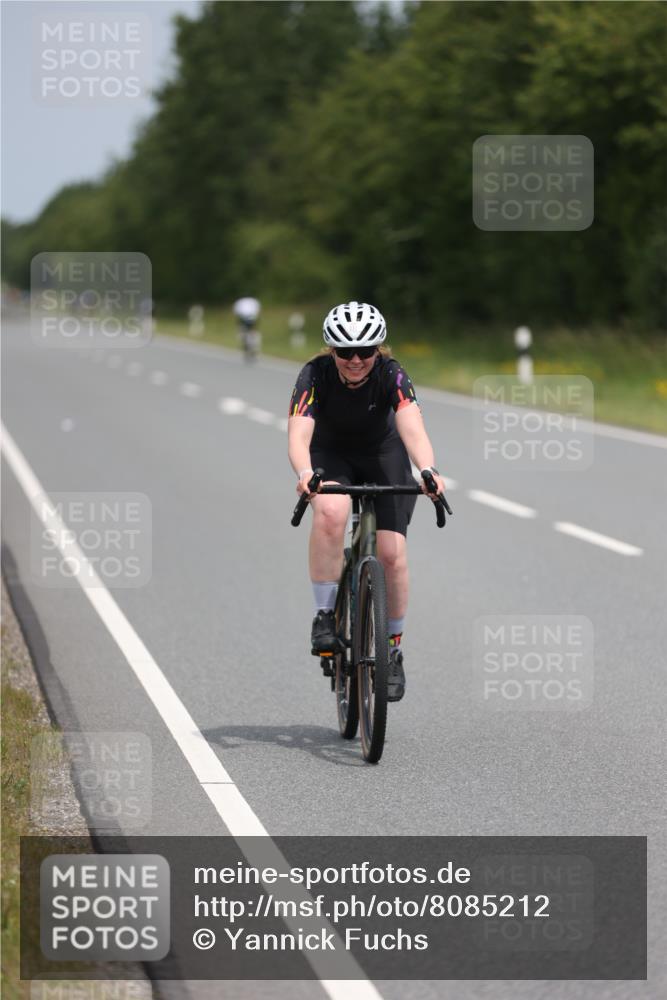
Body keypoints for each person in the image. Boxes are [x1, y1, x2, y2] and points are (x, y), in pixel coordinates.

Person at [287, 301, 446, 702]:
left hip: (382, 454)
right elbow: (299, 433)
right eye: (345, 352)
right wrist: (305, 473)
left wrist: (427, 469)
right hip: (331, 455)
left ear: (379, 349)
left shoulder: (392, 375)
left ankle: (392, 651)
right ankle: (325, 615)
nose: (356, 360)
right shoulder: (314, 374)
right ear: (331, 351)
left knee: (391, 553)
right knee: (330, 511)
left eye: (366, 351)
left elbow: (412, 426)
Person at [233, 297, 262, 361]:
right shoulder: (254, 301)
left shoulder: (240, 301)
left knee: (247, 334)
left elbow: (236, 313)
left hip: (247, 319)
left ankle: (250, 347)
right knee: (248, 334)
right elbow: (258, 312)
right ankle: (249, 347)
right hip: (250, 319)